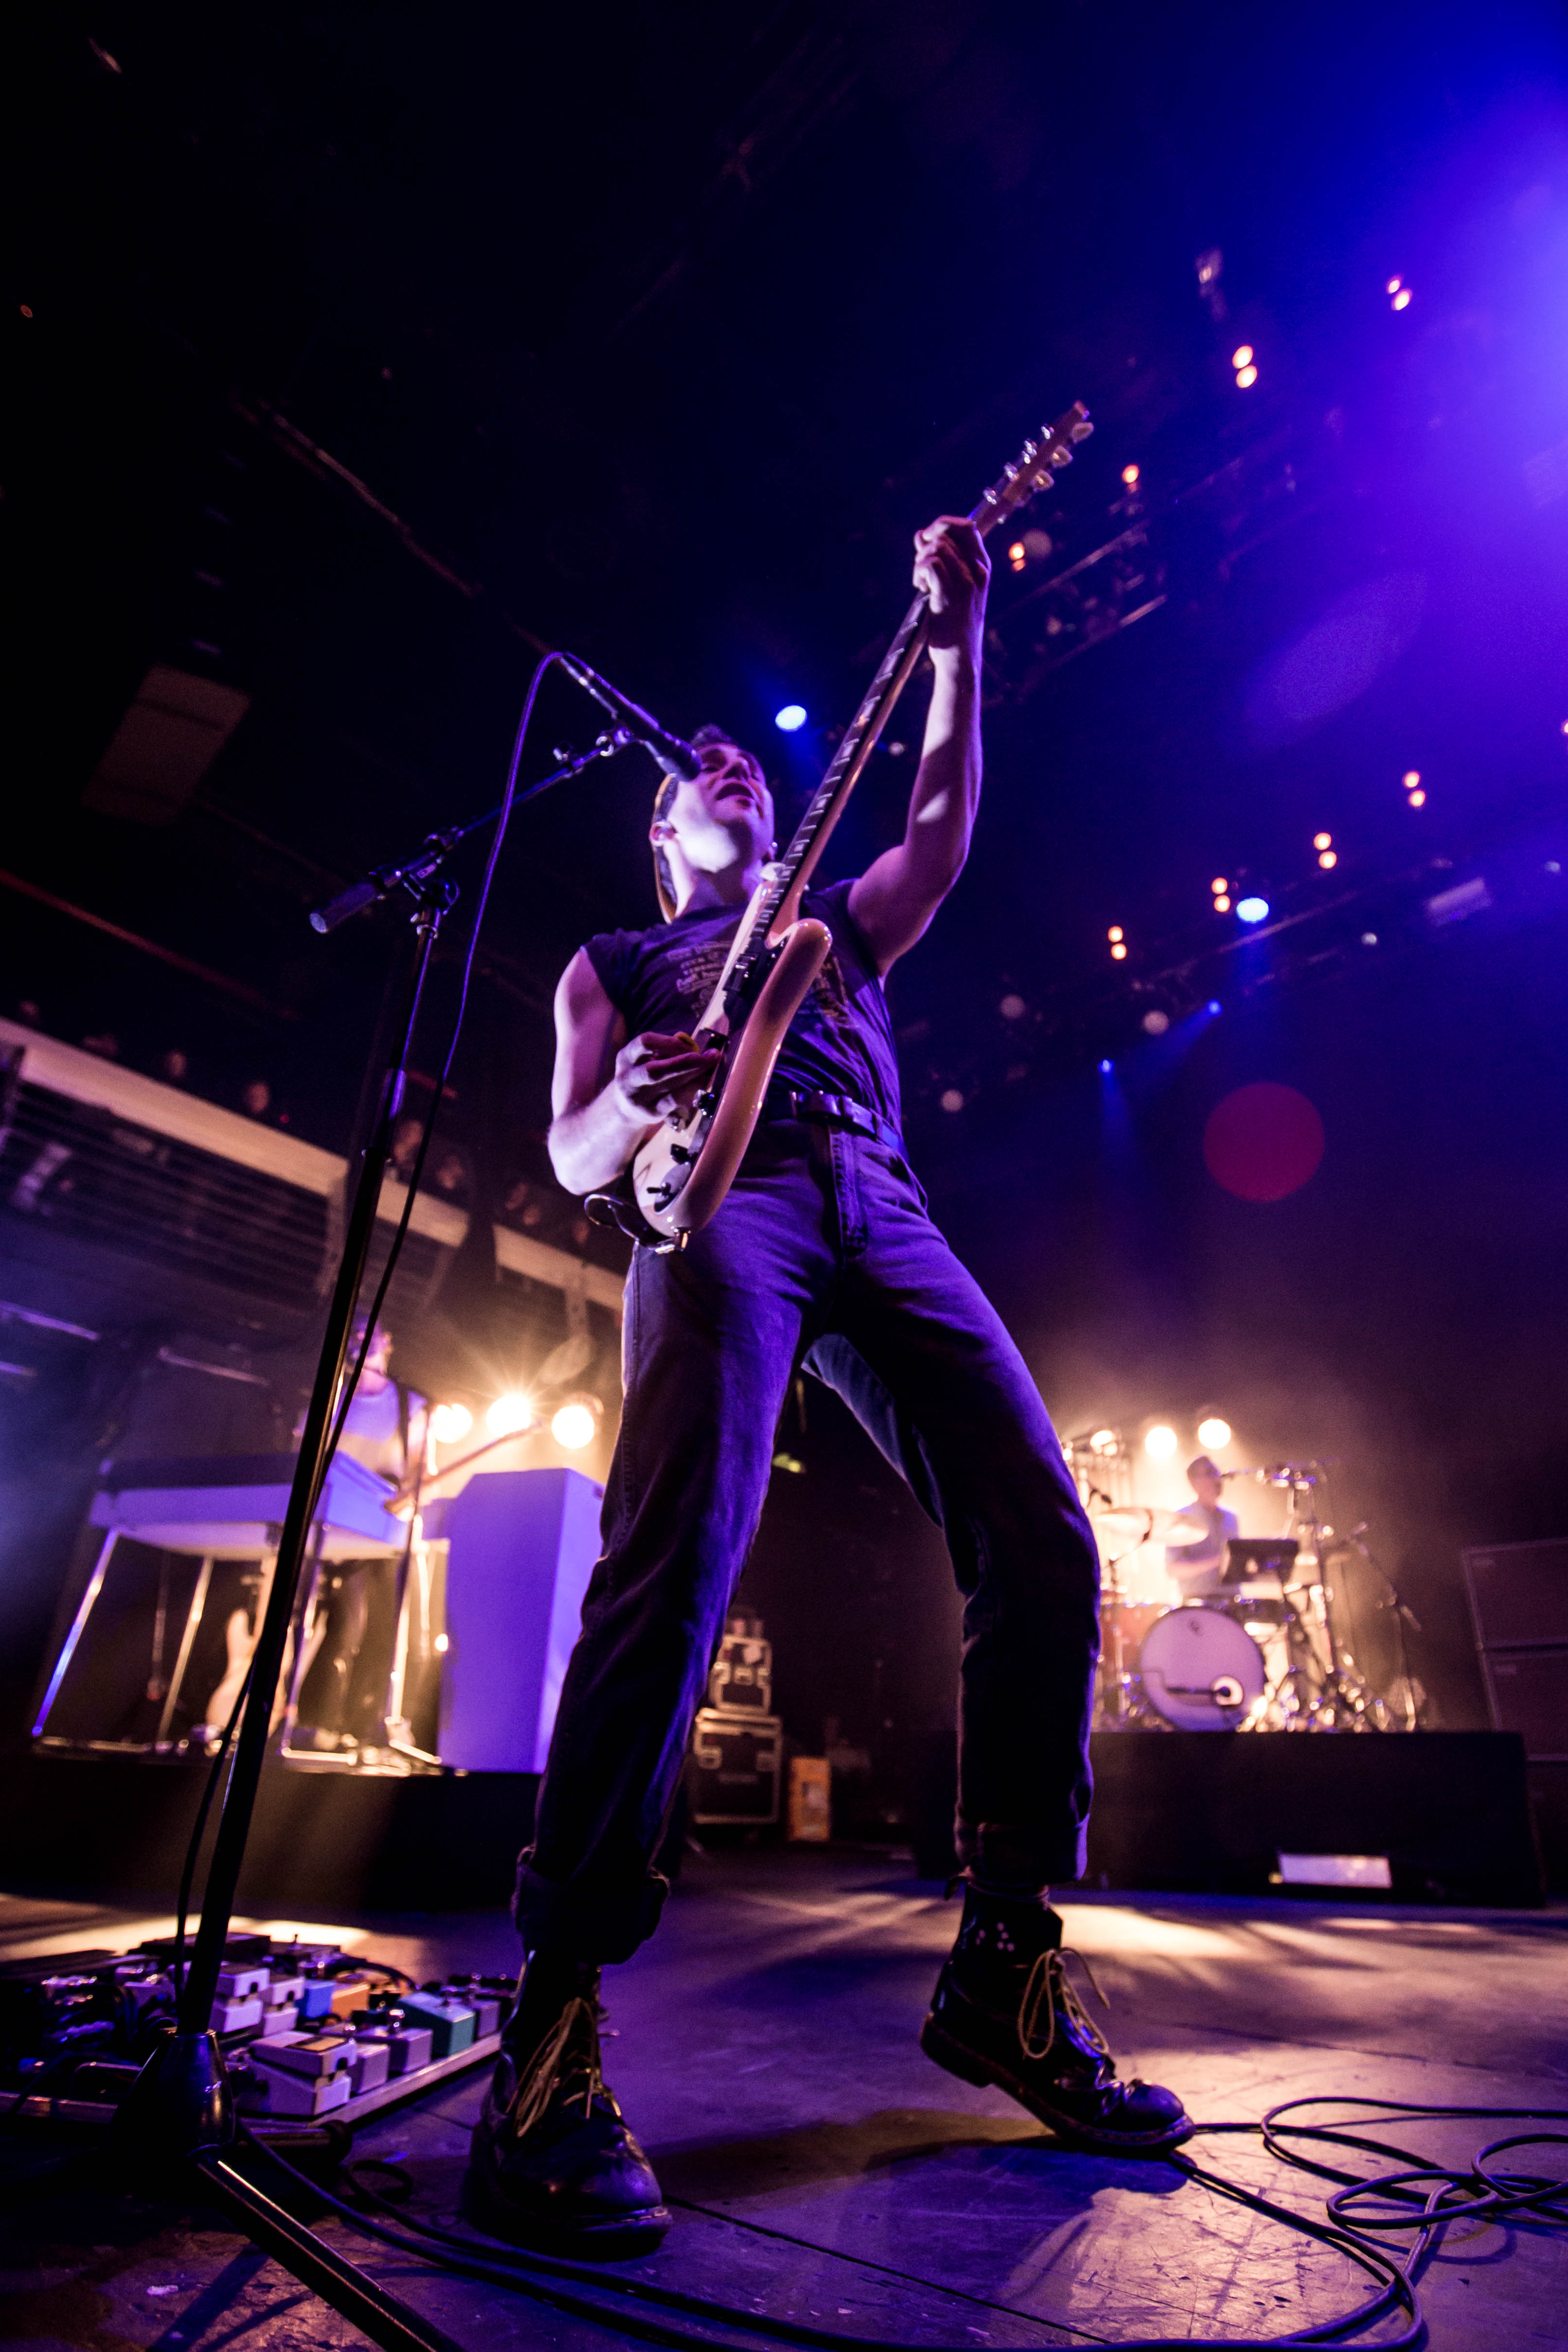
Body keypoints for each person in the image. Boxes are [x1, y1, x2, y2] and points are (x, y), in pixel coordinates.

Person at [467, 516, 1189, 2256]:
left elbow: (937, 829)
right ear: (663, 838)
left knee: (1043, 1527)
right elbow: (575, 1149)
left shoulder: (827, 926)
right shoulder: (620, 967)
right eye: (696, 769)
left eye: (741, 757)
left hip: (880, 1194)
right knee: (679, 1553)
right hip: (727, 1202)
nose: (725, 758)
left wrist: (958, 643)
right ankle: (549, 2030)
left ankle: (1005, 1966)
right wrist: (640, 1095)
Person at [1163, 1455, 1239, 1602]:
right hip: (1196, 1601)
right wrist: (1216, 1562)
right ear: (1194, 1483)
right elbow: (1172, 1569)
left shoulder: (1232, 1517)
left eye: (1218, 1472)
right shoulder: (1182, 1518)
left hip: (1231, 1601)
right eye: (1210, 1473)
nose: (1218, 1478)